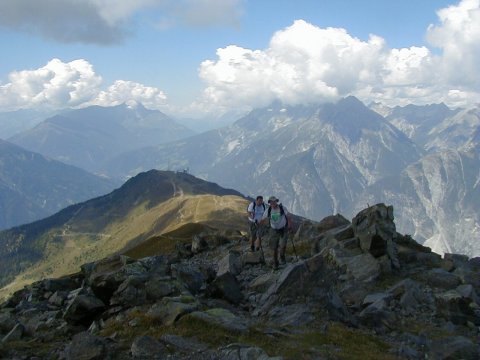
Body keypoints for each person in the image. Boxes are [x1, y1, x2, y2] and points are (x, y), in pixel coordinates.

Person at [261, 196, 292, 270]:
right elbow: (263, 219)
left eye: (274, 201)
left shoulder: (282, 208)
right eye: (271, 202)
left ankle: (282, 256)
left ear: (276, 202)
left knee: (283, 245)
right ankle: (275, 263)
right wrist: (258, 224)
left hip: (283, 229)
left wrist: (290, 225)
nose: (272, 203)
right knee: (274, 248)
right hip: (273, 230)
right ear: (269, 203)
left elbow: (288, 216)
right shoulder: (268, 210)